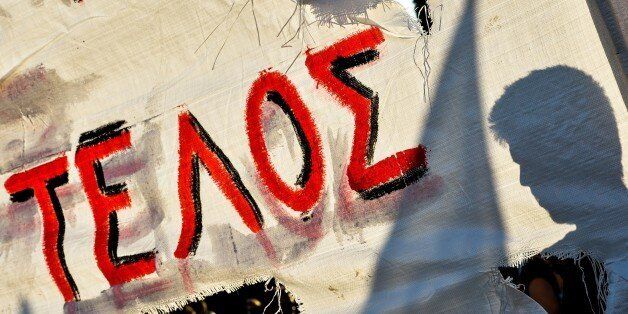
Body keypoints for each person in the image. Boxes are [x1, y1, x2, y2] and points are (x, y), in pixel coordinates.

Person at [489, 66, 626, 313]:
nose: (524, 180)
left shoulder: (605, 256)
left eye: (528, 162)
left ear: (573, 151)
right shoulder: (578, 252)